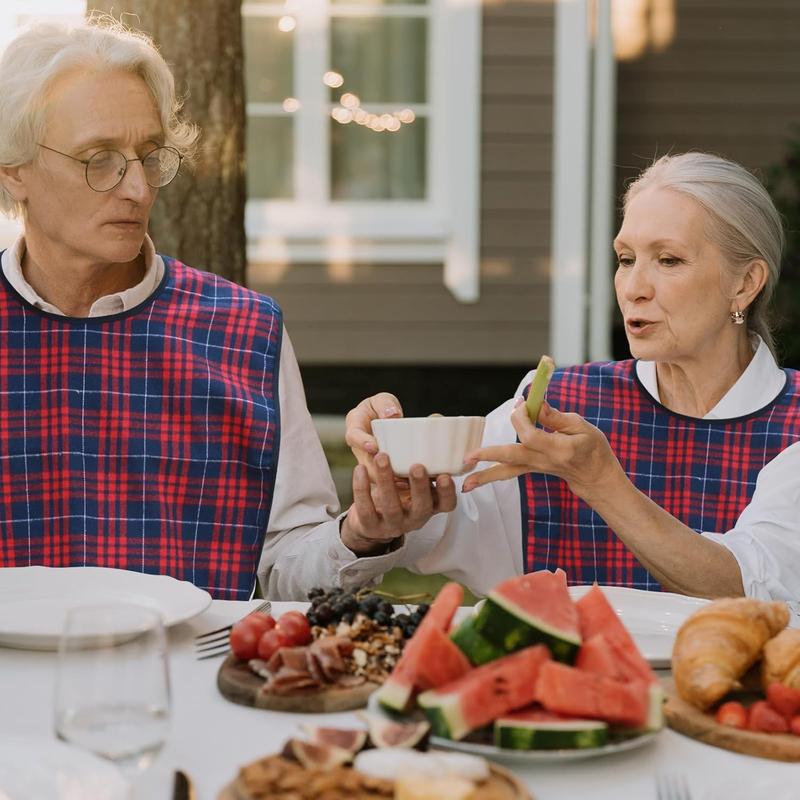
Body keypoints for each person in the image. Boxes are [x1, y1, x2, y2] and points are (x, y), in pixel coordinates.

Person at [307, 152, 800, 601]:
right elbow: (431, 525)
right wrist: (378, 522)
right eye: (626, 259)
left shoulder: (793, 425)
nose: (633, 287)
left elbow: (756, 590)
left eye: (668, 260)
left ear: (745, 283)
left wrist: (601, 483)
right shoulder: (557, 405)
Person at [0, 18, 341, 600]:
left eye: (149, 156)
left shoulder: (244, 331)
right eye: (99, 158)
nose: (137, 189)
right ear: (14, 170)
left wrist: (362, 534)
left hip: (193, 683)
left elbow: (288, 563)